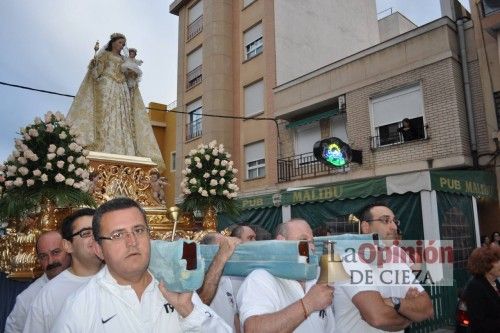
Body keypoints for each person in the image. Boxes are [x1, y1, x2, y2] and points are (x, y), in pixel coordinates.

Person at [51, 197, 231, 332]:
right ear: (99, 249)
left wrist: (188, 310)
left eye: (138, 230)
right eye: (117, 235)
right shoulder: (80, 307)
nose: (132, 242)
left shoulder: (174, 288)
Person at [66, 32, 165, 170]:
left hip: (122, 88)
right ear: (112, 42)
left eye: (123, 44)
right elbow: (96, 73)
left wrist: (132, 74)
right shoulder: (105, 55)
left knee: (122, 118)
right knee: (106, 115)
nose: (121, 46)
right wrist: (94, 66)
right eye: (119, 43)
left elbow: (129, 77)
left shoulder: (125, 60)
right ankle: (103, 147)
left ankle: (124, 151)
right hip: (106, 85)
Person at [333, 202, 433, 333]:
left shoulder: (396, 261)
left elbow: (427, 308)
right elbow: (378, 318)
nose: (393, 227)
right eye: (386, 220)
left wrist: (395, 302)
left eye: (395, 221)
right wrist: (409, 313)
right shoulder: (348, 260)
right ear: (366, 227)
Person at [237, 218, 335, 333]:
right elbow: (254, 329)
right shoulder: (260, 278)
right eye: (303, 240)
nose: (312, 247)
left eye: (312, 242)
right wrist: (308, 303)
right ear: (281, 242)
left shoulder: (315, 276)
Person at [24, 208, 102, 333]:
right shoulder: (48, 295)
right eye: (86, 233)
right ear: (68, 246)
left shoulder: (121, 277)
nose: (96, 238)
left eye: (98, 231)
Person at [4, 231, 71, 333]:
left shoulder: (88, 278)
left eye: (56, 252)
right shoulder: (28, 298)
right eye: (43, 256)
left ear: (69, 249)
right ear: (38, 260)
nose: (50, 261)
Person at [199, 233, 242, 332]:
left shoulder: (226, 278)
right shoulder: (198, 279)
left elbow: (234, 315)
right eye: (223, 246)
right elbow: (202, 302)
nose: (229, 249)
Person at [463, 246, 500, 332]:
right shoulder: (475, 286)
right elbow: (478, 323)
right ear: (484, 264)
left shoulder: (495, 281)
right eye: (497, 261)